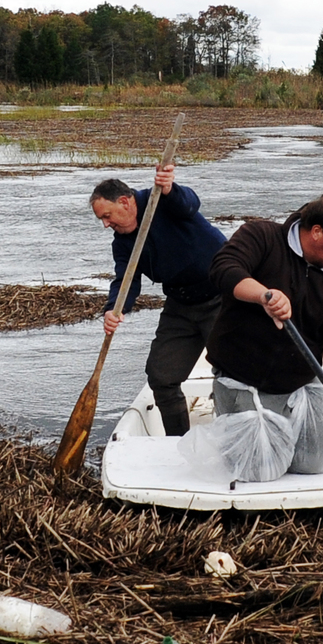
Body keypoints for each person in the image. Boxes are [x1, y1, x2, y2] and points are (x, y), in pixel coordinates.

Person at [197, 193, 323, 480]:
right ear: (316, 232)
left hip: (298, 379)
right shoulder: (262, 236)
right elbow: (223, 269)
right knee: (259, 471)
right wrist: (264, 295)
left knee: (317, 463)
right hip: (242, 376)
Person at [91, 159, 228, 438]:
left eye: (107, 216)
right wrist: (114, 309)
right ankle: (178, 442)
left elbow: (190, 203)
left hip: (222, 296)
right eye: (102, 220)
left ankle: (233, 437)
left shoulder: (162, 200)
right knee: (161, 377)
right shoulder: (122, 242)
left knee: (232, 373)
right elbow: (126, 280)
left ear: (126, 202)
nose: (106, 225)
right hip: (181, 305)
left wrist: (169, 188)